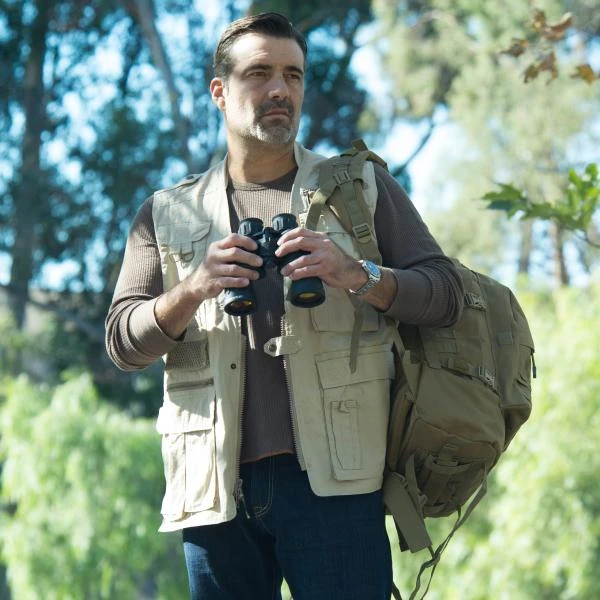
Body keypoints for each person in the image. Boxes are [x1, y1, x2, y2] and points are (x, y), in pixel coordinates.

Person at [105, 11, 463, 600]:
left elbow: (446, 294)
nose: (280, 89)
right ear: (219, 92)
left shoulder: (360, 188)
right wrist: (194, 287)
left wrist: (356, 274)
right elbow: (122, 343)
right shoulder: (166, 214)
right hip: (213, 492)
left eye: (293, 75)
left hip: (339, 484)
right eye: (260, 73)